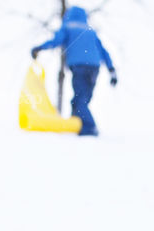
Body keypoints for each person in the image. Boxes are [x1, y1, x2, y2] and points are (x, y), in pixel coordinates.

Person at [31, 6, 116, 137]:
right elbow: (103, 51)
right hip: (94, 68)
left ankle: (89, 128)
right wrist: (112, 70)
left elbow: (56, 41)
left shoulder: (68, 27)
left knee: (79, 101)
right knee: (82, 100)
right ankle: (76, 125)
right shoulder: (90, 31)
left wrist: (39, 48)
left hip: (80, 67)